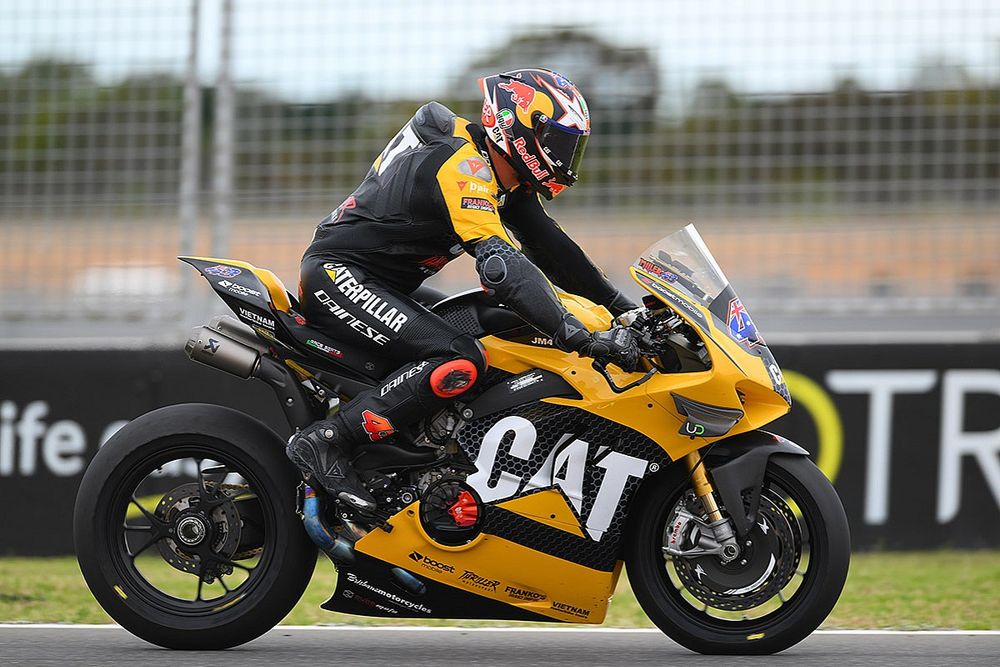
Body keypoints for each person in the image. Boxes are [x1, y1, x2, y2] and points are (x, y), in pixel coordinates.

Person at [287, 68, 641, 511]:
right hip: (339, 276)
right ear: (520, 126)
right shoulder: (465, 165)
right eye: (559, 142)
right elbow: (504, 268)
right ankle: (327, 441)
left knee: (496, 329)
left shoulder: (499, 171)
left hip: (384, 286)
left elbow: (556, 252)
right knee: (459, 357)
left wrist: (627, 311)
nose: (566, 157)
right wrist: (580, 336)